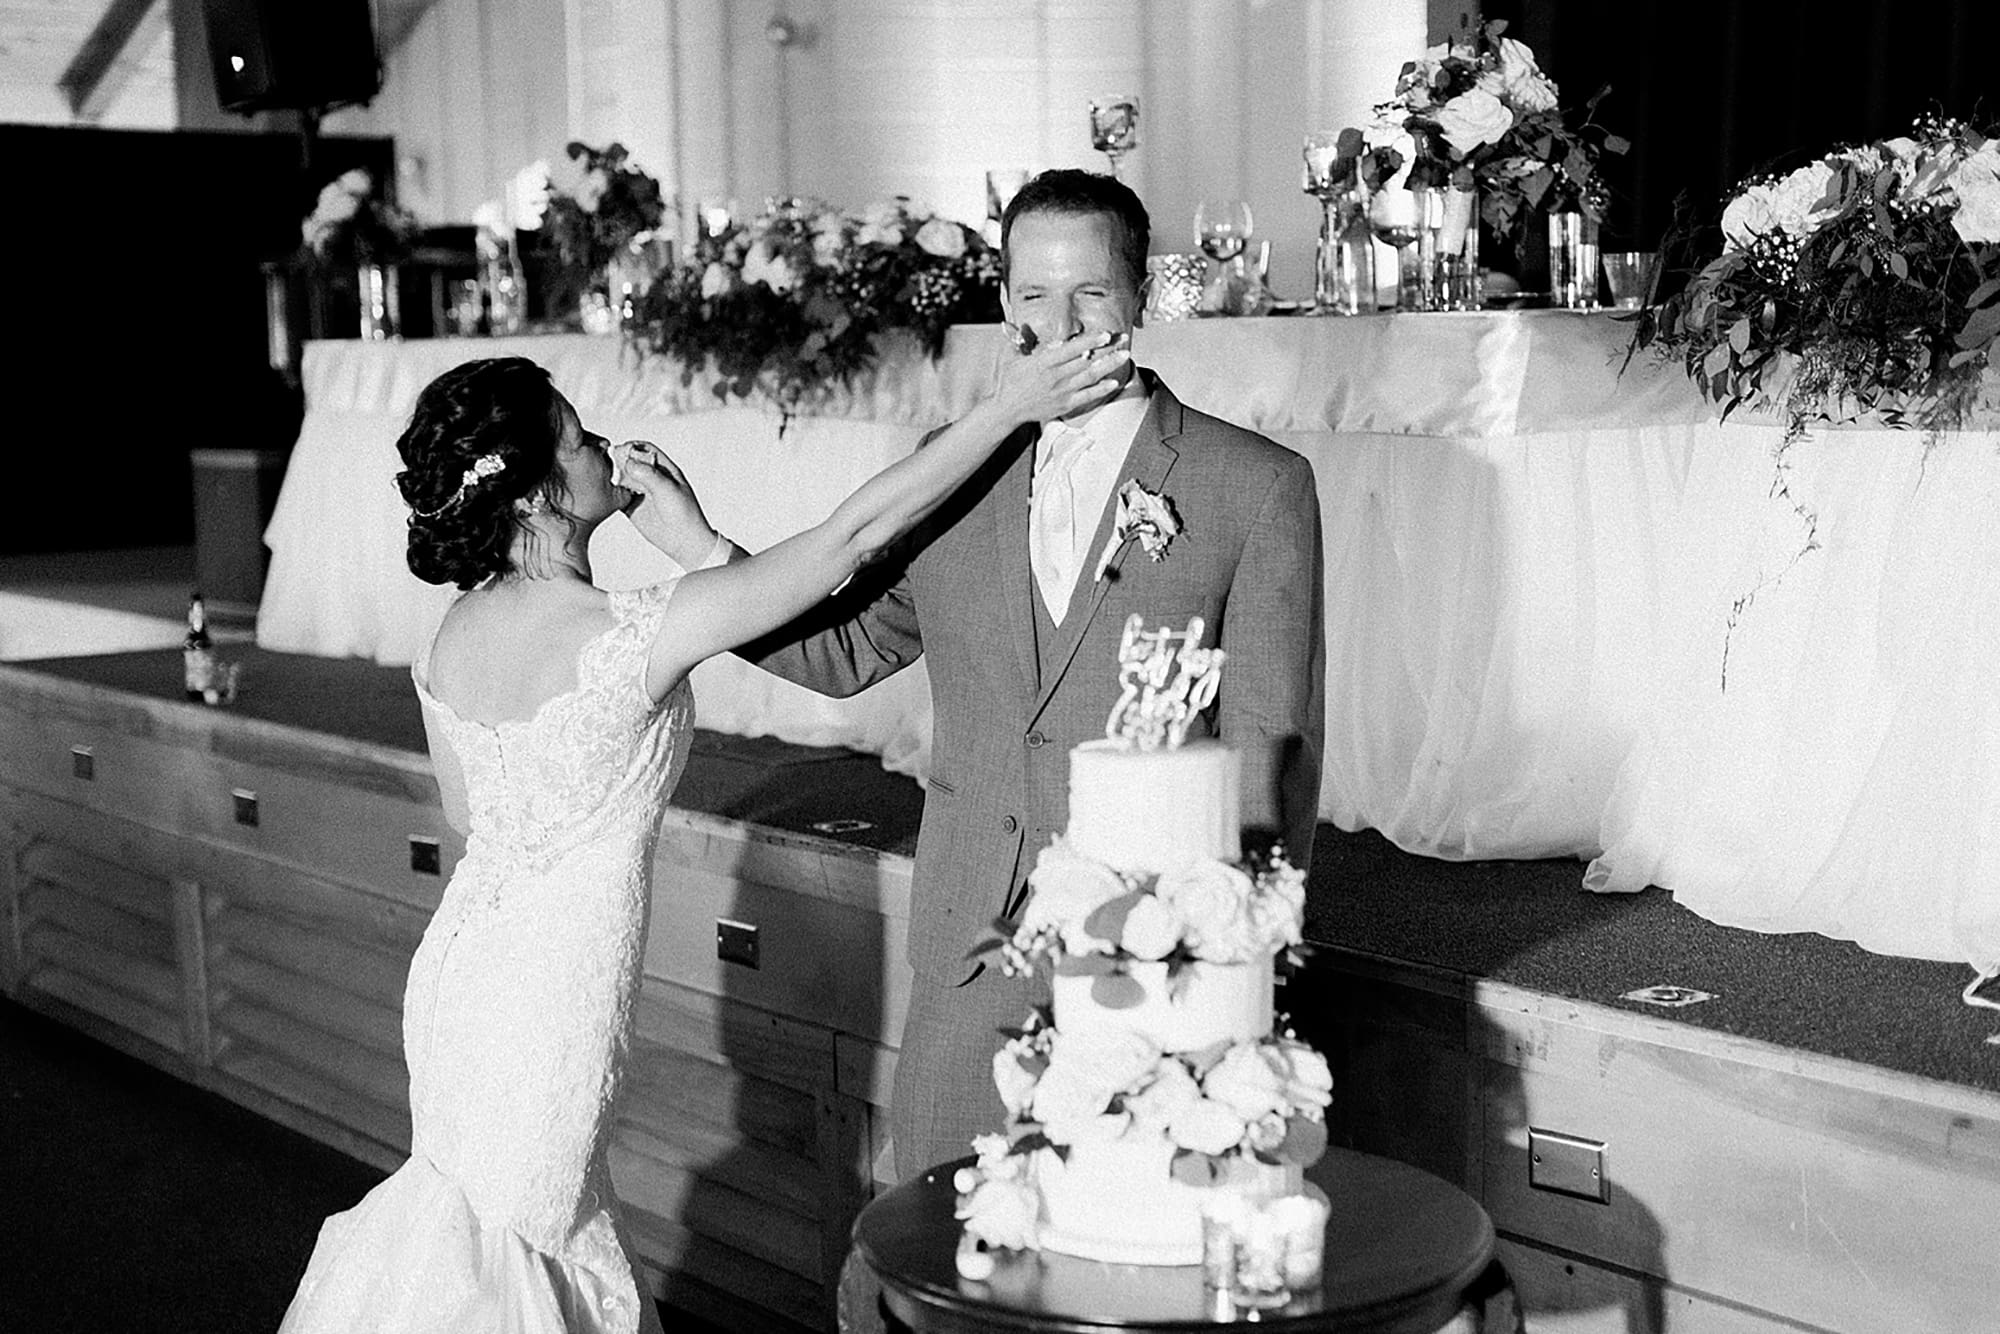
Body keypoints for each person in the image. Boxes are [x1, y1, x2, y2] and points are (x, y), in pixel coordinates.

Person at [276, 342, 1128, 1333]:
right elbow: (848, 536)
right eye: (579, 436)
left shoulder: (454, 633)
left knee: (476, 1228)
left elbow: (473, 819)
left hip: (459, 979)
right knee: (523, 1252)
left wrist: (685, 534)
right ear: (540, 494)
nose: (607, 446)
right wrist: (1005, 407)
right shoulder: (632, 629)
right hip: (551, 1003)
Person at [696, 169, 1327, 1180]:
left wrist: (1236, 961)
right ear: (1001, 303)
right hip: (967, 952)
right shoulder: (953, 471)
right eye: (1031, 295)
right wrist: (701, 550)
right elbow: (846, 650)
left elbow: (1268, 750)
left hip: (1147, 950)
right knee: (939, 1248)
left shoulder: (1251, 485)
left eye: (1088, 294)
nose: (1058, 324)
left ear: (1141, 299)